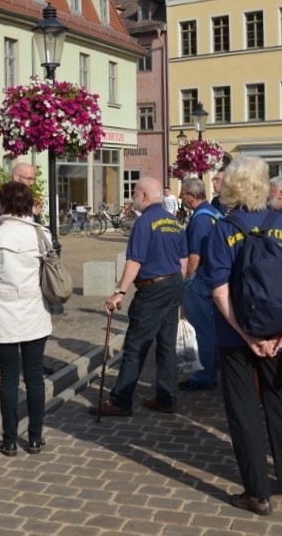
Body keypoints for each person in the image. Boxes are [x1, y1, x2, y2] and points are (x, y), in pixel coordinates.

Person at [201, 157, 282, 515]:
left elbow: (219, 292)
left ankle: (257, 492)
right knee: (280, 404)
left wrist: (247, 336)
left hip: (236, 337)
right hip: (277, 332)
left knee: (244, 410)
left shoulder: (222, 229)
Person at [91, 176, 187, 417]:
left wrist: (119, 292)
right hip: (173, 283)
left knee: (136, 345)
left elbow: (134, 261)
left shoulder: (144, 222)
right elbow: (183, 259)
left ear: (144, 196)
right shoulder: (174, 221)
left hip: (153, 289)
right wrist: (177, 284)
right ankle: (167, 398)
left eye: (134, 192)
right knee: (166, 345)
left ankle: (121, 400)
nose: (132, 196)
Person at [0, 182, 52, 456]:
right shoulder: (41, 235)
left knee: (8, 377)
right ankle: (34, 438)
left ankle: (9, 440)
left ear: (3, 205)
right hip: (34, 314)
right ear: (29, 204)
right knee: (34, 377)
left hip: (3, 314)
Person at [177, 177, 221, 391]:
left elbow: (195, 257)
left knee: (202, 330)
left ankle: (204, 377)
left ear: (193, 196)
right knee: (210, 329)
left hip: (200, 280)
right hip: (211, 278)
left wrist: (185, 281)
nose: (180, 198)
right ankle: (211, 370)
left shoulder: (201, 219)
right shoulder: (212, 213)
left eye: (183, 194)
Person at [0, 162, 41, 230]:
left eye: (34, 179)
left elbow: (35, 231)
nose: (32, 183)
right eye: (29, 179)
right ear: (16, 177)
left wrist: (35, 215)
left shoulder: (30, 201)